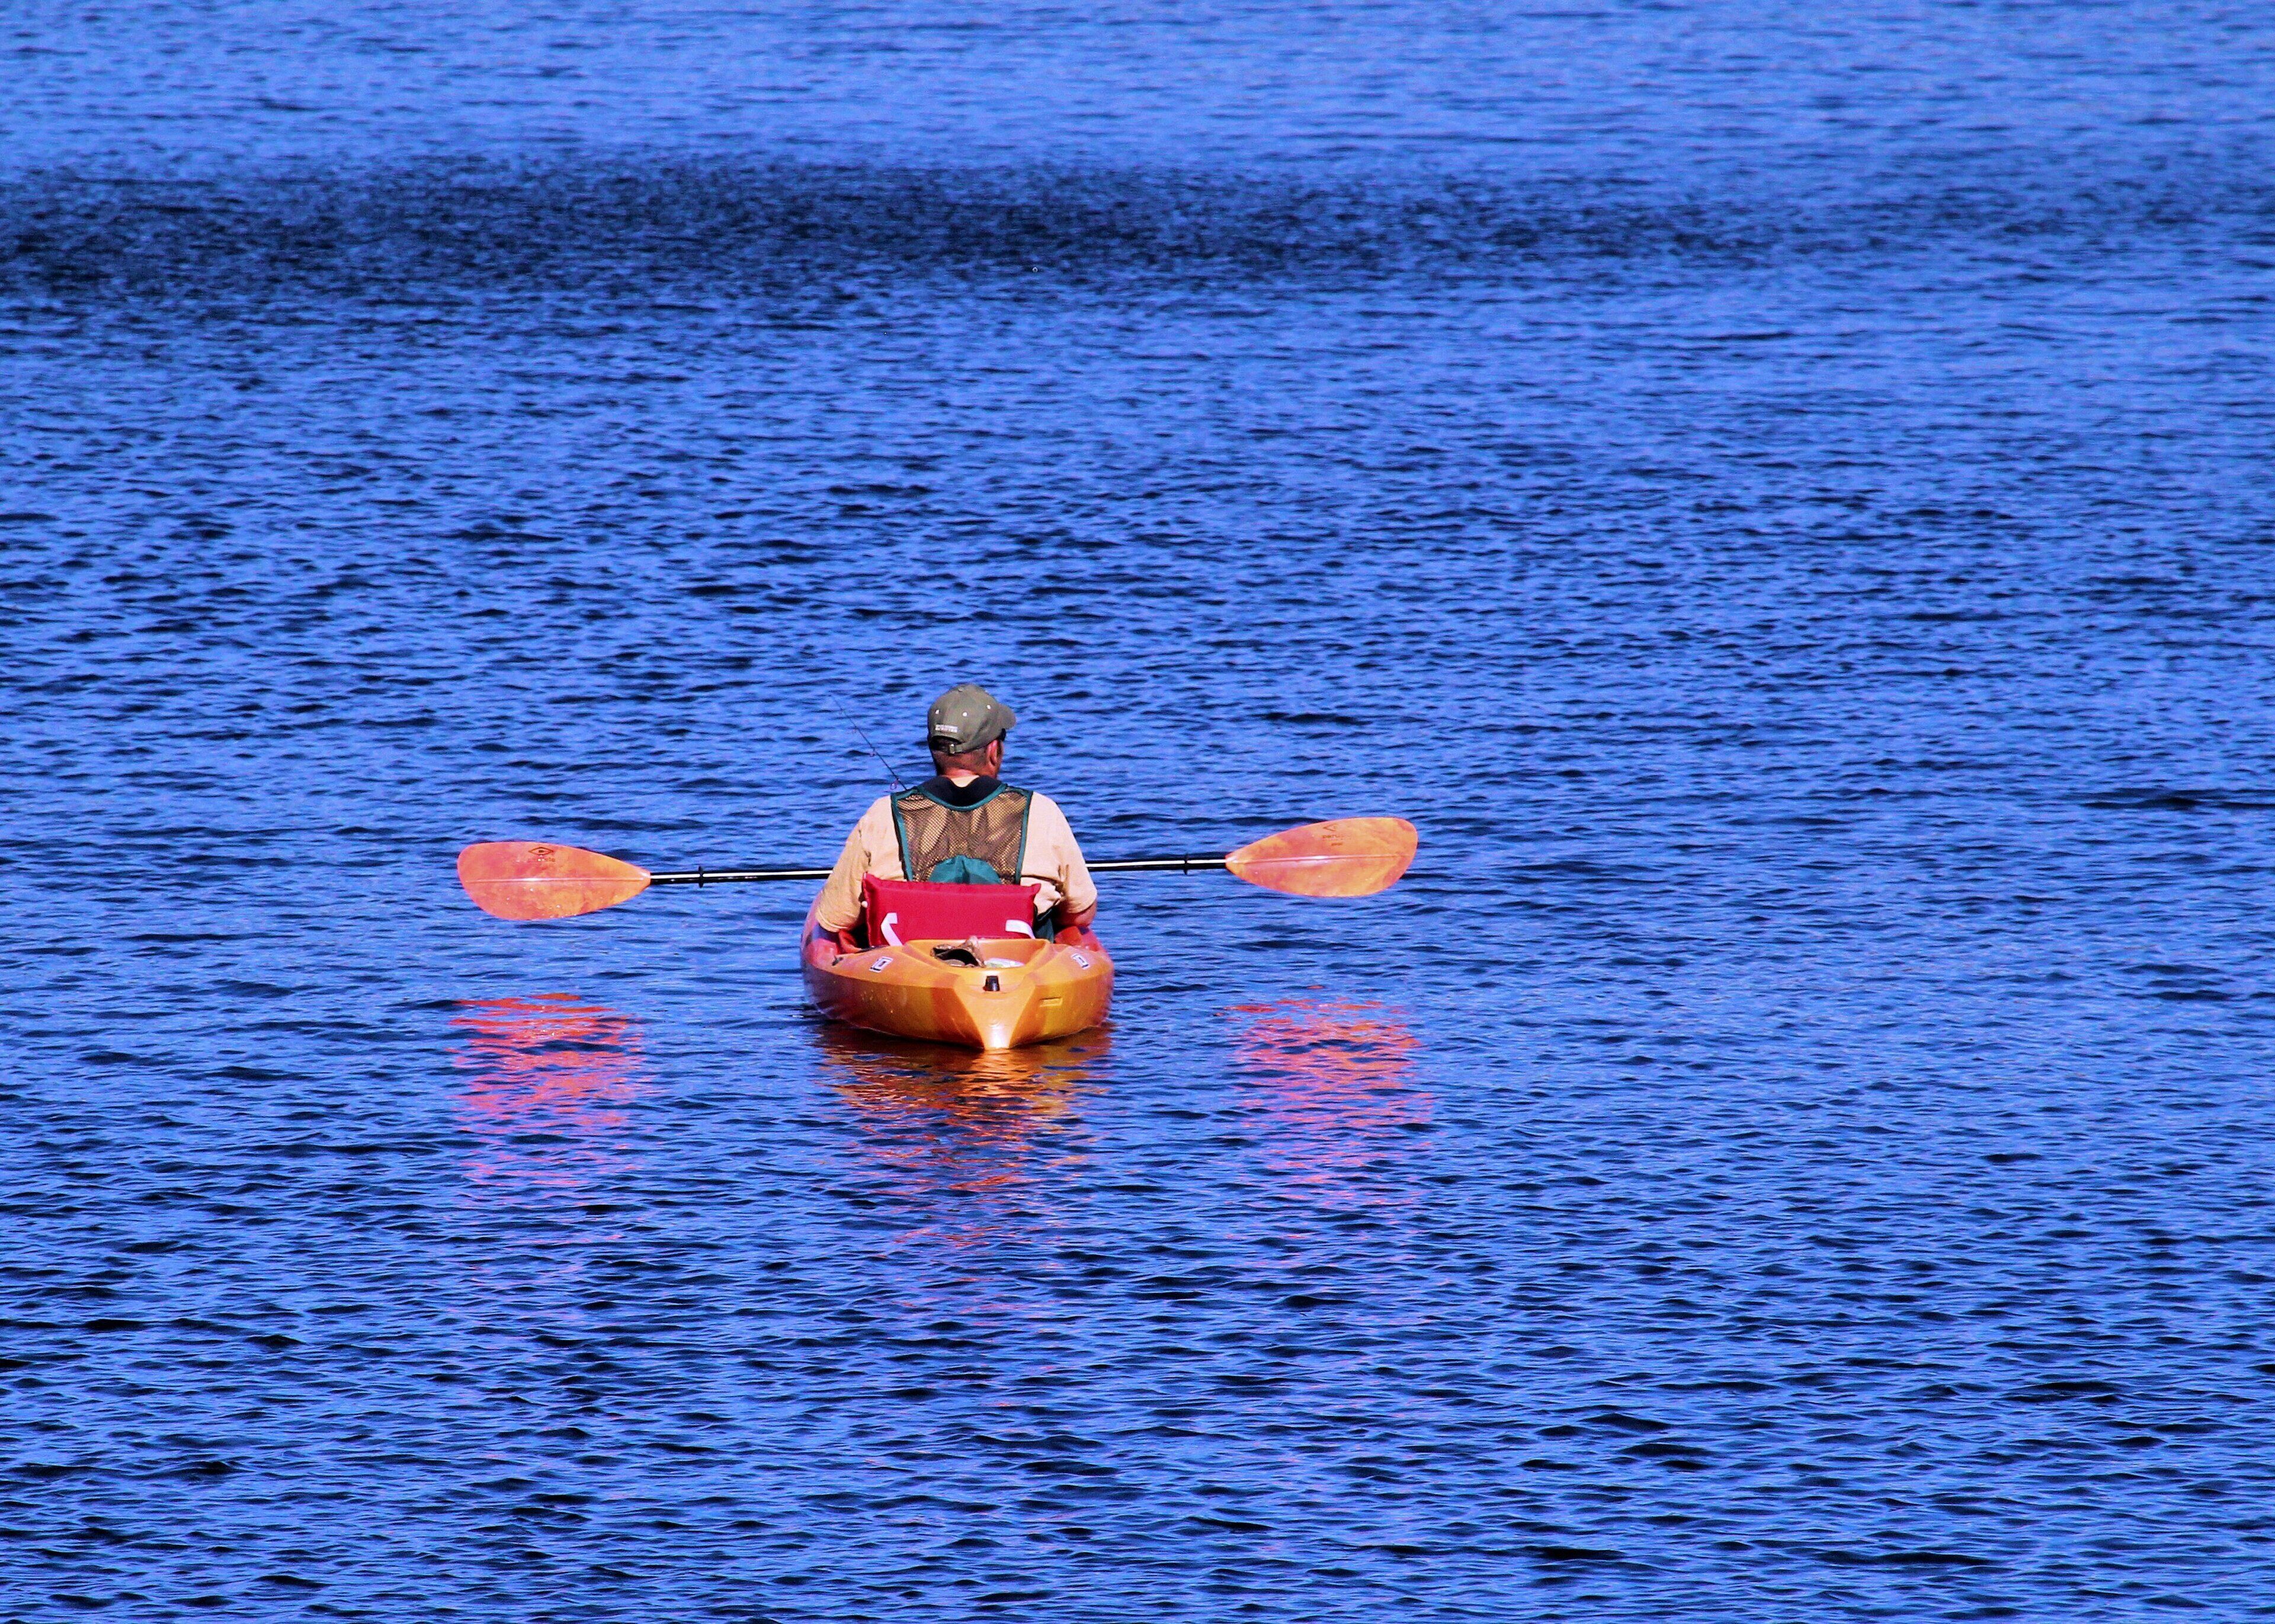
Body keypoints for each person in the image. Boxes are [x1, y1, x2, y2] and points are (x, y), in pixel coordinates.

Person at [813, 683, 1099, 953]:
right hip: (1017, 966)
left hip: (912, 968)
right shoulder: (1041, 810)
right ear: (993, 751)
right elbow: (1081, 913)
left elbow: (834, 918)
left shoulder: (883, 813)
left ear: (933, 749)